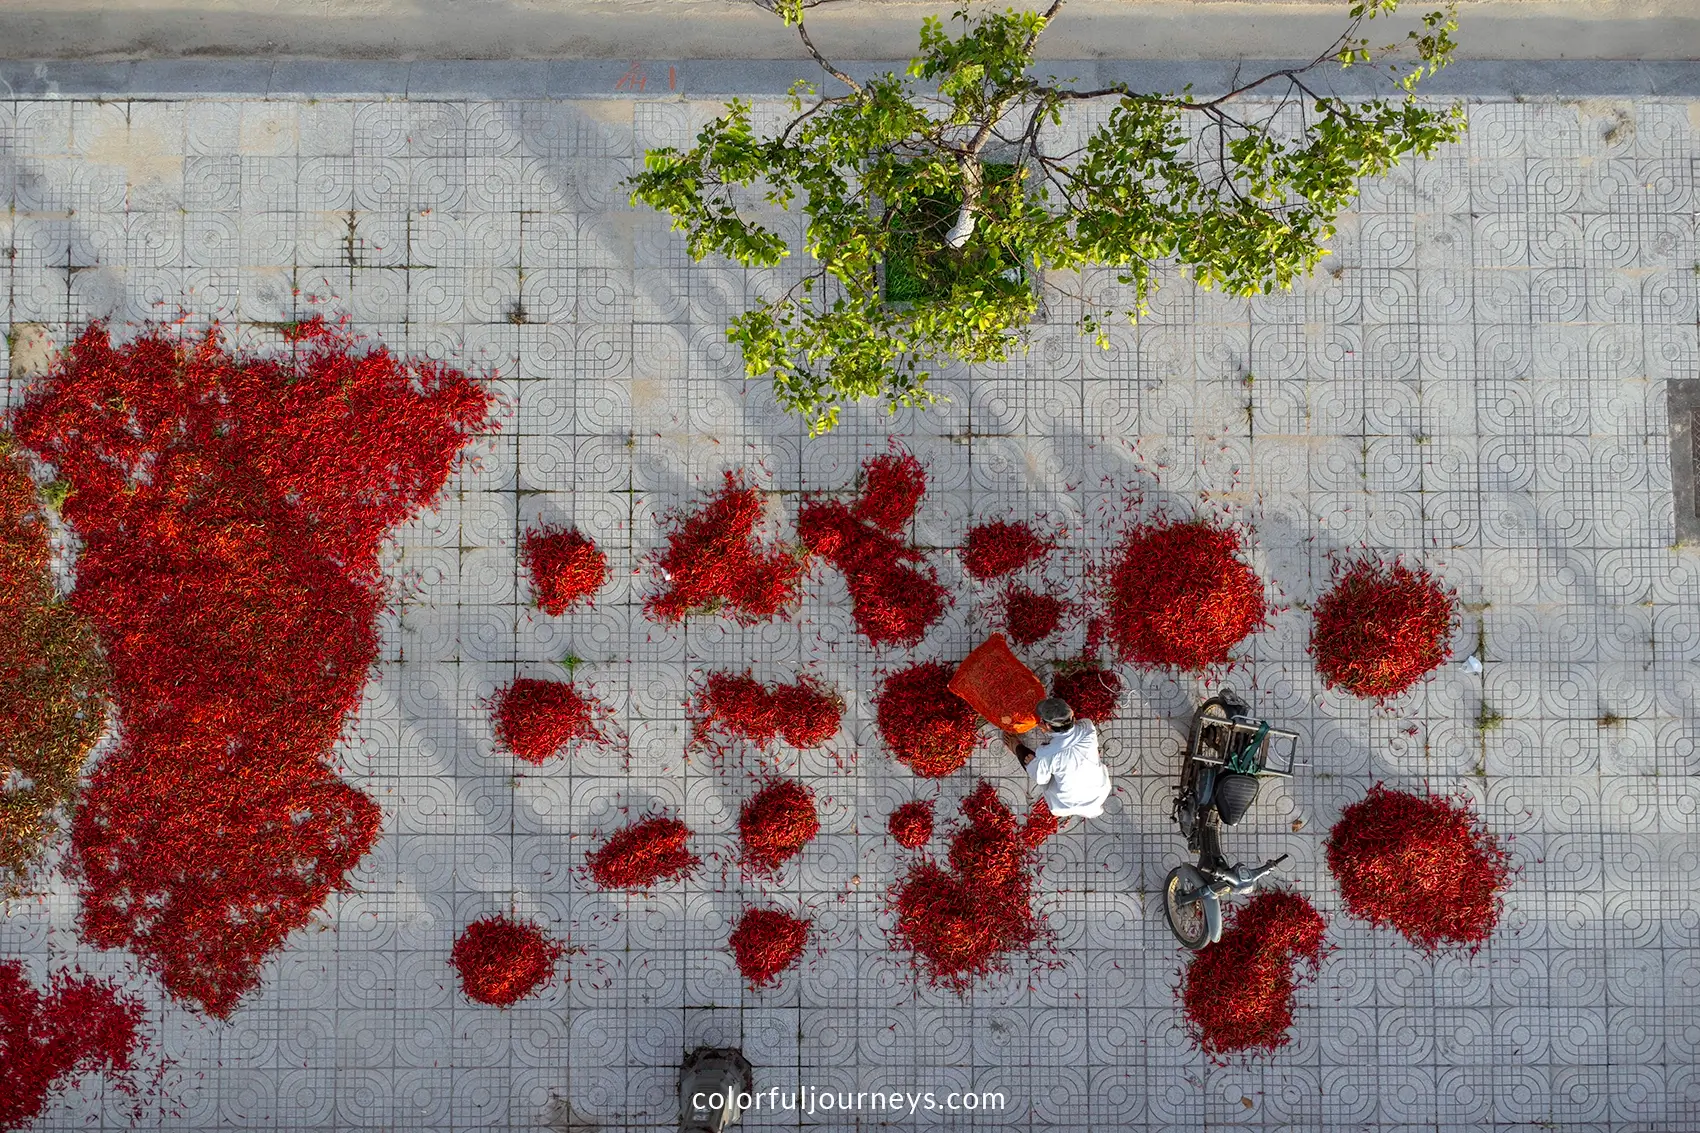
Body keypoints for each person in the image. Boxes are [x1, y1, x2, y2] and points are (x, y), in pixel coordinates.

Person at [1003, 697, 1111, 819]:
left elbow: (1042, 780)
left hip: (1065, 804)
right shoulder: (1088, 728)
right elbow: (1075, 726)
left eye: (1042, 722)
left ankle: (1015, 745)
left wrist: (1033, 762)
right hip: (1099, 791)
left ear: (1048, 726)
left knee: (1033, 765)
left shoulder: (1046, 755)